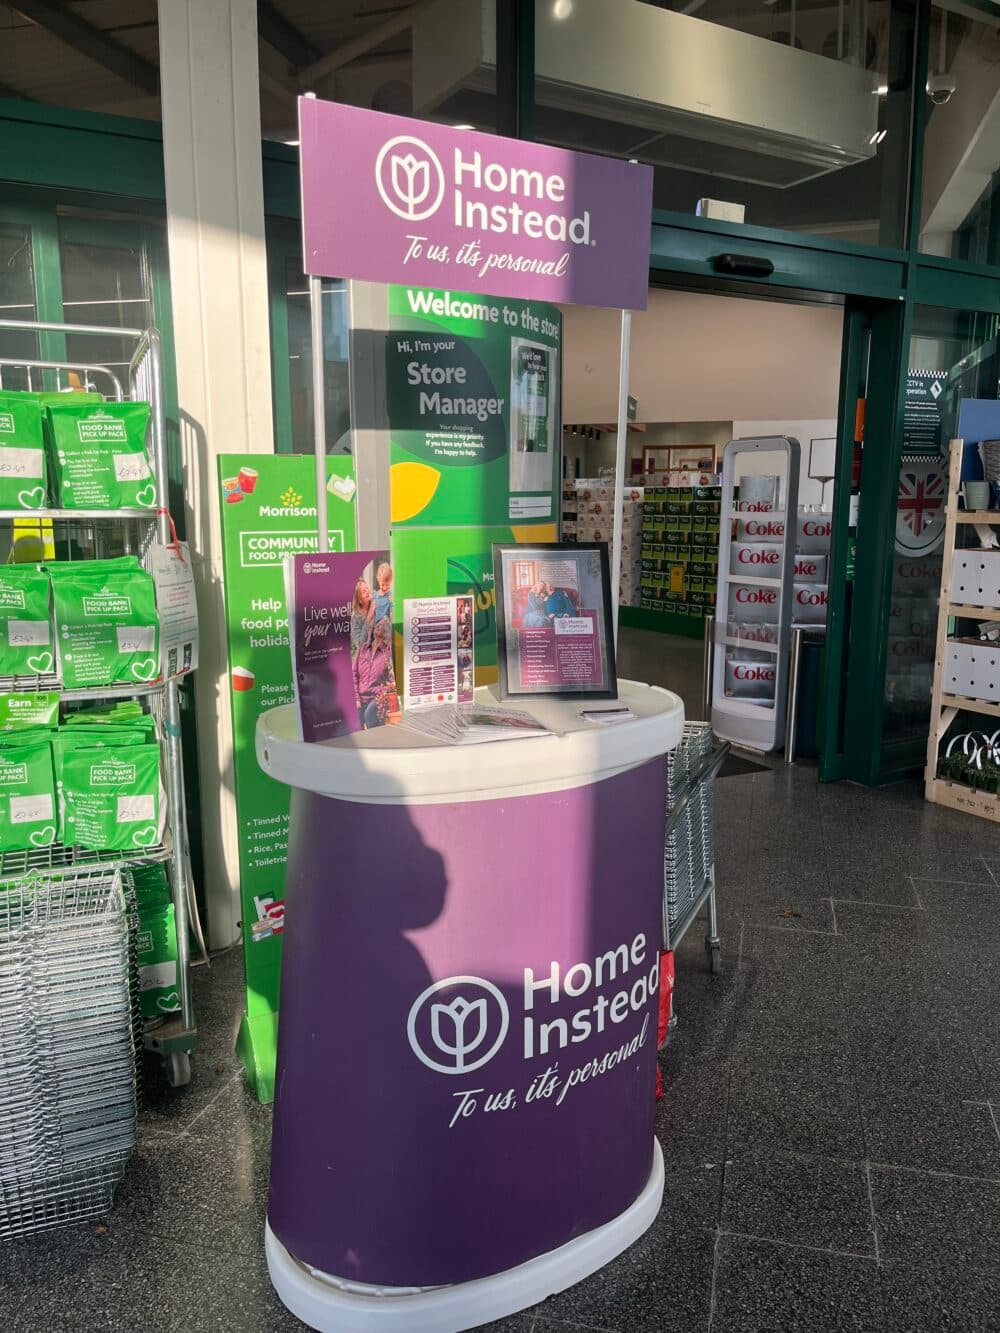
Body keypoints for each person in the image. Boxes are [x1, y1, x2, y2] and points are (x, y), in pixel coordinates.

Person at [354, 615, 396, 729]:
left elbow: (392, 679)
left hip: (376, 698)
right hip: (360, 697)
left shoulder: (387, 653)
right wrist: (357, 698)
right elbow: (354, 675)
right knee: (356, 723)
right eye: (378, 625)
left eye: (383, 626)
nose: (378, 627)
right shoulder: (362, 649)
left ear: (386, 632)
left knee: (369, 716)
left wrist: (384, 693)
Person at [351, 579, 373, 654]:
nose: (367, 591)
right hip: (366, 657)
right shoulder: (355, 617)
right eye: (364, 591)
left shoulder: (376, 602)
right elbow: (360, 644)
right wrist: (369, 616)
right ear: (359, 600)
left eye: (367, 588)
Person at [372, 562, 393, 628]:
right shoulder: (374, 596)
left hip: (386, 631)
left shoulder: (390, 597)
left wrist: (392, 603)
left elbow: (392, 618)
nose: (385, 588)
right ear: (378, 579)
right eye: (382, 585)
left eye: (387, 585)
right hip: (375, 631)